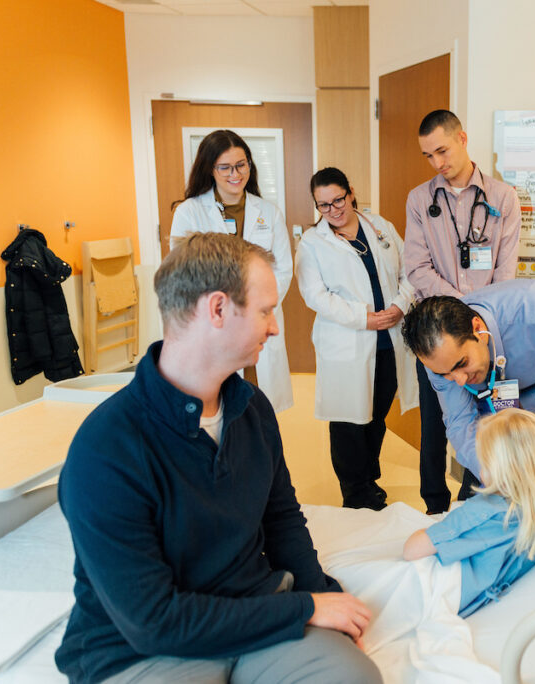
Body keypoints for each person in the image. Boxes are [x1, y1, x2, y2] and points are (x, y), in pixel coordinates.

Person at [55, 233, 380, 684]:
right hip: (143, 650)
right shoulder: (106, 449)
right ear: (218, 309)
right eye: (266, 311)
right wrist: (304, 608)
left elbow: (282, 518)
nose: (275, 327)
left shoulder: (252, 409)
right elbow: (154, 623)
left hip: (256, 613)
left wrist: (324, 600)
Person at [404, 109, 522, 514]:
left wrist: (480, 314)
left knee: (493, 414)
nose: (438, 163)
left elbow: (506, 268)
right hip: (438, 333)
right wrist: (460, 305)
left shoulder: (503, 197)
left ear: (463, 139)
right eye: (428, 156)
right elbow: (416, 267)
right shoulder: (420, 199)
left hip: (484, 333)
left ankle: (475, 498)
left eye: (442, 150)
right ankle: (435, 506)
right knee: (436, 424)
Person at [401, 279, 535, 488]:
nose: (459, 380)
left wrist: (524, 404)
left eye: (462, 363)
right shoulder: (437, 358)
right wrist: (490, 473)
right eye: (446, 374)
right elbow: (461, 422)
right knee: (484, 491)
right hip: (491, 407)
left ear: (478, 329)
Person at [296, 167, 418, 510]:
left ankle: (368, 480)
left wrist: (399, 305)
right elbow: (315, 295)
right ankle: (355, 492)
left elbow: (410, 271)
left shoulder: (381, 227)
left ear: (351, 192)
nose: (334, 210)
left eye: (338, 200)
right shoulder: (312, 243)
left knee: (377, 414)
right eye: (323, 206)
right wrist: (361, 318)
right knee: (349, 418)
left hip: (388, 340)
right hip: (347, 341)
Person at [402, 408, 535, 616]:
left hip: (438, 589)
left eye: (483, 461)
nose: (479, 470)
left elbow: (411, 550)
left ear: (501, 469)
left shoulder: (487, 512)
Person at [170, 129, 294, 413]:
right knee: (217, 408)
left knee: (258, 406)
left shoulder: (269, 211)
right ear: (210, 169)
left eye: (241, 165)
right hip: (214, 323)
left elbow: (283, 269)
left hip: (258, 323)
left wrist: (254, 310)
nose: (235, 173)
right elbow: (183, 272)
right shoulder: (190, 212)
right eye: (224, 167)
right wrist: (229, 310)